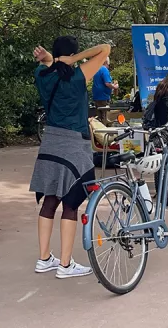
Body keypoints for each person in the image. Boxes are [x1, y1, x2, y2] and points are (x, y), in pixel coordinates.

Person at [31, 38, 111, 278]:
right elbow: (105, 48)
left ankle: (44, 258)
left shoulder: (42, 75)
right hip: (75, 145)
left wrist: (50, 60)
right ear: (73, 54)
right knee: (71, 204)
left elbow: (48, 65)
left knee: (50, 200)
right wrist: (75, 60)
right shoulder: (78, 76)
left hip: (50, 143)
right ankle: (65, 265)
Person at [92, 57, 119, 121]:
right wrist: (115, 87)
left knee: (99, 116)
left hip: (96, 96)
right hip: (103, 96)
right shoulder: (104, 69)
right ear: (106, 62)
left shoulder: (97, 69)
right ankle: (105, 128)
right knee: (105, 116)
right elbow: (107, 83)